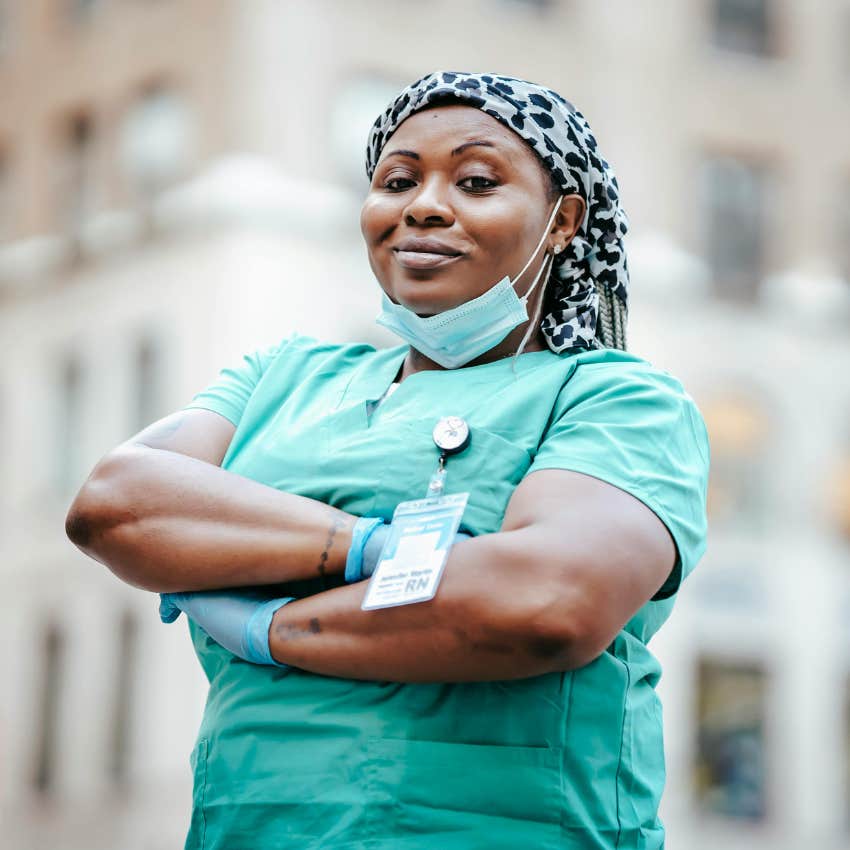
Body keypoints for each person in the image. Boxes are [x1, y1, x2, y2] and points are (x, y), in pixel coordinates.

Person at [66, 70, 709, 850]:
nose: (425, 205)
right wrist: (379, 552)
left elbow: (548, 599)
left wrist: (268, 626)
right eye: (397, 180)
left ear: (564, 220)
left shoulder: (618, 400)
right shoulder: (285, 375)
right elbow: (116, 503)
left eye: (476, 181)